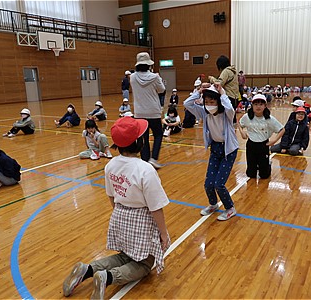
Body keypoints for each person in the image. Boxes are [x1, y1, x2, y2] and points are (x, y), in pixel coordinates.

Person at [62, 117, 170, 299]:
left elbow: (111, 196)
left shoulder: (111, 165)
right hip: (141, 220)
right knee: (144, 265)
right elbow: (155, 207)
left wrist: (120, 213)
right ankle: (108, 277)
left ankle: (87, 270)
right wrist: (163, 233)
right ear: (139, 142)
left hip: (120, 215)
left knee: (124, 256)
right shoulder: (145, 169)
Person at [184, 83, 239, 221]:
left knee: (219, 184)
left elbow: (230, 108)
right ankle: (213, 204)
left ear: (218, 101)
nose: (209, 104)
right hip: (215, 148)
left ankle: (230, 208)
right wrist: (199, 91)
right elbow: (187, 103)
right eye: (206, 102)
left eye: (212, 101)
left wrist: (222, 92)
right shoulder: (204, 112)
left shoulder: (227, 114)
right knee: (208, 184)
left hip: (228, 150)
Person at [130, 52, 166, 169]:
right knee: (158, 134)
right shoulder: (155, 77)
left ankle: (145, 162)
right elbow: (162, 90)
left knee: (143, 138)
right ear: (148, 64)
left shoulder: (132, 77)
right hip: (153, 111)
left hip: (139, 113)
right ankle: (153, 158)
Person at [238, 94, 285, 179]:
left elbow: (282, 129)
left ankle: (268, 165)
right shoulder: (247, 117)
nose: (258, 107)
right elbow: (240, 124)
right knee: (250, 174)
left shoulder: (269, 119)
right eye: (256, 104)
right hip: (251, 145)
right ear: (252, 105)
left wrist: (274, 141)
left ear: (265, 106)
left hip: (263, 145)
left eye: (261, 104)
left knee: (264, 175)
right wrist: (242, 132)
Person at [208, 55, 239, 124]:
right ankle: (232, 132)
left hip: (229, 97)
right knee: (232, 117)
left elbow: (219, 84)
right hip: (235, 97)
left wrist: (211, 78)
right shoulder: (233, 71)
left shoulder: (226, 71)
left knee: (226, 119)